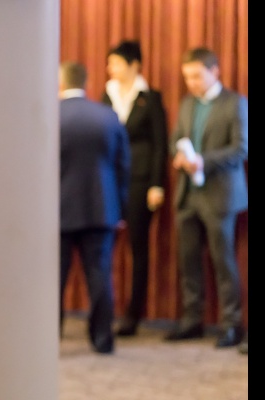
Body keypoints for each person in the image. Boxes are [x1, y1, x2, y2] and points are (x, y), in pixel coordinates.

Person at [165, 47, 247, 348]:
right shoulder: (187, 103)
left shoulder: (235, 103)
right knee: (188, 261)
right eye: (187, 77)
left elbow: (241, 149)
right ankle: (192, 320)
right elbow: (176, 139)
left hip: (220, 195)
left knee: (222, 261)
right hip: (188, 194)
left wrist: (203, 161)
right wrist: (178, 156)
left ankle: (231, 324)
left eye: (197, 76)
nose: (192, 83)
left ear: (215, 72)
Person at [59, 61, 130, 354]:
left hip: (58, 212)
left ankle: (49, 339)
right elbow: (123, 166)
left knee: (54, 279)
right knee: (100, 276)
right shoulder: (108, 116)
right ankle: (102, 339)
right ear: (87, 84)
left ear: (61, 83)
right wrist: (120, 209)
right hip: (101, 210)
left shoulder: (50, 115)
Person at [100, 40, 168, 337]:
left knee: (138, 247)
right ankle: (104, 313)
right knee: (103, 248)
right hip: (109, 181)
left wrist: (157, 184)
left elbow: (160, 144)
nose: (110, 68)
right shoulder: (107, 94)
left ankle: (132, 315)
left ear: (134, 65)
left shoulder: (150, 97)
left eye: (116, 63)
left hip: (140, 182)